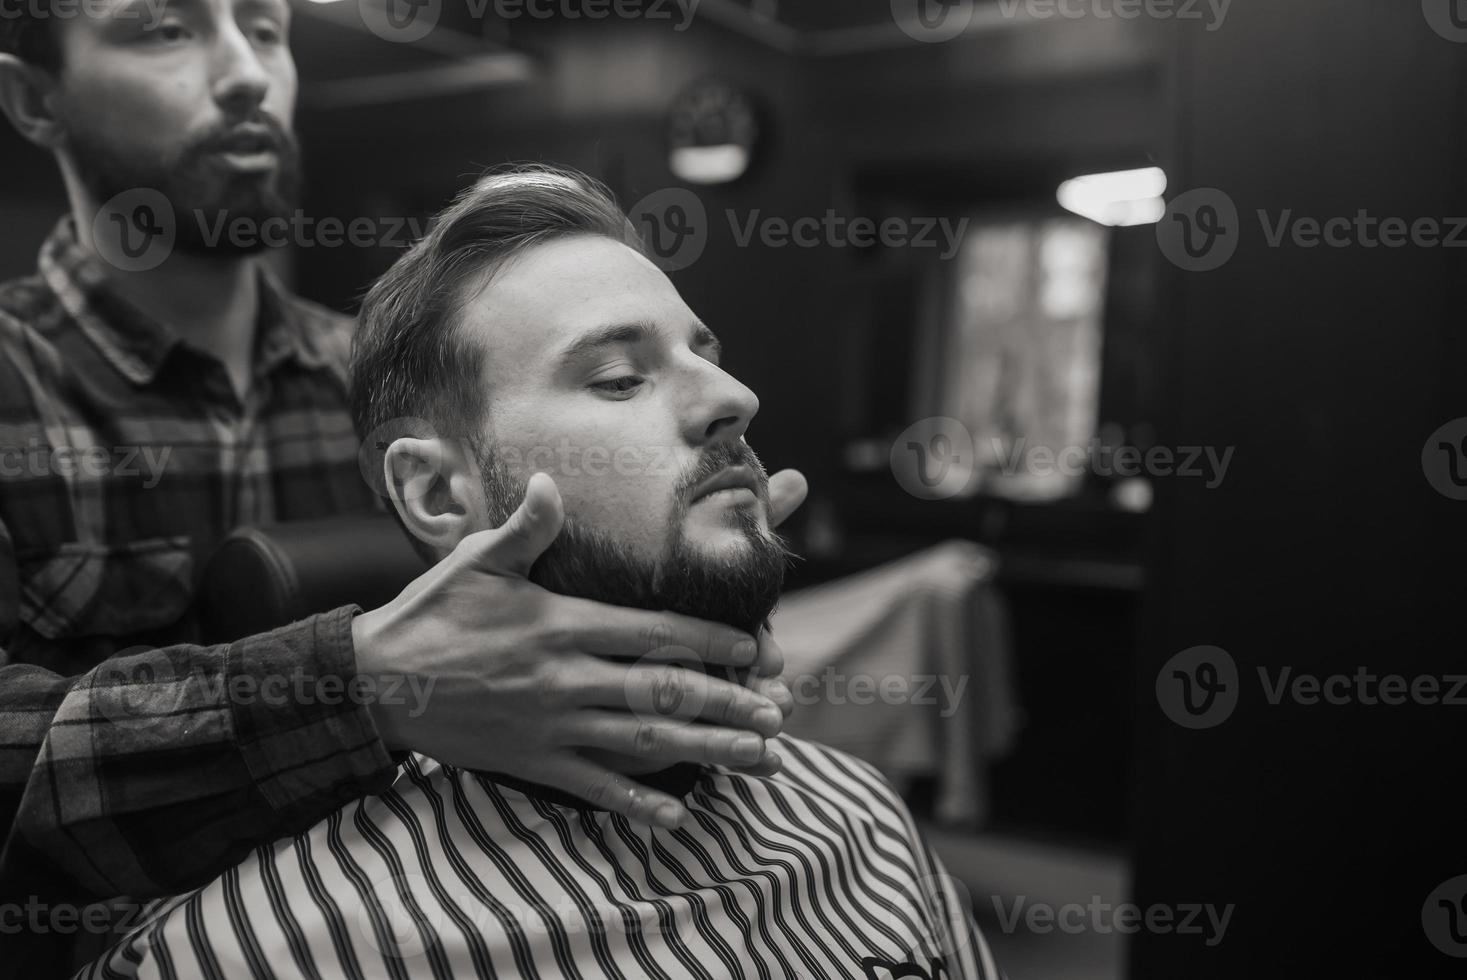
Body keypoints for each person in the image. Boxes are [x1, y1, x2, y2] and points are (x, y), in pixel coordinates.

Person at [0, 0, 802, 970]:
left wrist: (691, 584)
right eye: (164, 30)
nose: (248, 72)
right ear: (32, 95)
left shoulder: (381, 380)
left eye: (263, 28)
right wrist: (362, 685)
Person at [81, 164, 1000, 980]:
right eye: (617, 379)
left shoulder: (861, 819)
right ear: (441, 494)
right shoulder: (274, 948)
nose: (734, 399)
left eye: (704, 358)